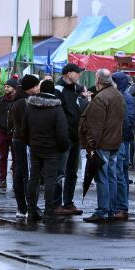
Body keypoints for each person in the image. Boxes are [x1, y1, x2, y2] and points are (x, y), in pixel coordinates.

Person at [79, 69, 126, 223]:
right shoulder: (117, 95)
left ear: (98, 79)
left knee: (102, 178)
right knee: (111, 176)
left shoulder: (101, 98)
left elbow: (95, 126)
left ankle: (103, 211)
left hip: (102, 143)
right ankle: (111, 210)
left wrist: (91, 146)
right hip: (114, 142)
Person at [21, 80, 71, 222]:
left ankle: (31, 210)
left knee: (34, 178)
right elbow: (62, 133)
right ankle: (49, 211)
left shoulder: (30, 107)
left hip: (35, 147)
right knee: (50, 179)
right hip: (52, 150)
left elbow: (23, 130)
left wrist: (30, 143)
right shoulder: (56, 109)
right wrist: (63, 147)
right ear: (53, 91)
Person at [55, 63, 86, 216]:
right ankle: (56, 203)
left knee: (72, 172)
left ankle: (68, 202)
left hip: (75, 137)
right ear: (68, 74)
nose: (79, 75)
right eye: (77, 73)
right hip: (63, 138)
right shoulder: (58, 90)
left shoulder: (76, 90)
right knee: (59, 172)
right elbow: (57, 115)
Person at [9, 75, 40, 216]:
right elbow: (27, 125)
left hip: (19, 140)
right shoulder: (23, 102)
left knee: (20, 172)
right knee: (25, 174)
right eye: (37, 85)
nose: (38, 88)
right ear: (30, 88)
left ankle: (23, 207)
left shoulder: (20, 100)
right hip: (24, 141)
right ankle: (26, 207)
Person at [111, 72, 135, 221]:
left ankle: (121, 207)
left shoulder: (124, 97)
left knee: (120, 173)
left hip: (120, 140)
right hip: (122, 139)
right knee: (121, 173)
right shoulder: (124, 96)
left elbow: (127, 121)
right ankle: (121, 206)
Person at [0, 79, 18, 190]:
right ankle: (2, 180)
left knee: (16, 158)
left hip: (15, 133)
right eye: (5, 86)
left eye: (8, 86)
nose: (6, 88)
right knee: (3, 157)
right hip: (2, 132)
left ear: (14, 88)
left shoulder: (19, 101)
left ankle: (16, 180)